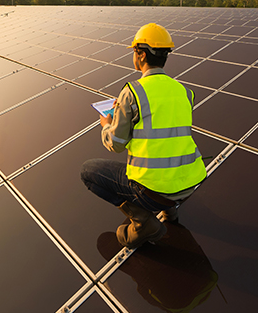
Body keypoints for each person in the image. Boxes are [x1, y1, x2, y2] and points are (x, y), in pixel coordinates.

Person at [81, 23, 206, 249]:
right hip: (189, 185)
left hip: (151, 191)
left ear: (140, 54)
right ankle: (170, 214)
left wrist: (107, 124)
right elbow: (166, 134)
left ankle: (142, 222)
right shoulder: (185, 92)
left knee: (88, 171)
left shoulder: (133, 92)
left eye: (134, 52)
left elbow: (116, 144)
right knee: (165, 160)